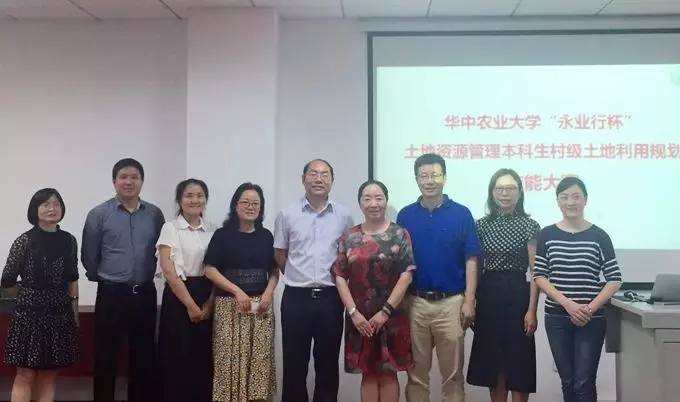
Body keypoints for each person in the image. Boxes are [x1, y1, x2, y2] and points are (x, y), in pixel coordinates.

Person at [396, 153, 481, 402]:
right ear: (416, 180)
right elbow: (399, 262)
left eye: (434, 175)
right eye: (423, 176)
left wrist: (469, 300)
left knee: (452, 376)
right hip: (416, 303)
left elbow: (471, 258)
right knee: (416, 375)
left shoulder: (462, 214)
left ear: (444, 177)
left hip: (451, 303)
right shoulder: (405, 215)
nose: (429, 181)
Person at [81, 158, 165, 402]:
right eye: (123, 177)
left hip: (145, 292)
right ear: (114, 181)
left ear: (142, 181)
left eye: (134, 177)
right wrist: (105, 277)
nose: (129, 182)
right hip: (111, 294)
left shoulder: (154, 214)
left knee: (143, 356)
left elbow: (160, 249)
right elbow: (89, 256)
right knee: (106, 356)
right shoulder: (99, 214)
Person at [533, 176, 622, 402]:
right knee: (568, 381)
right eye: (564, 197)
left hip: (591, 319)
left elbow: (614, 279)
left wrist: (589, 309)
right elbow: (540, 276)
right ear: (558, 201)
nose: (570, 202)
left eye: (576, 197)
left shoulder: (599, 236)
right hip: (557, 318)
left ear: (585, 199)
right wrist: (568, 304)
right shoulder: (547, 234)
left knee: (584, 382)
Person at [274, 159, 354, 402]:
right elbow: (280, 254)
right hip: (296, 298)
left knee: (328, 364)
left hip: (331, 299)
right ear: (303, 179)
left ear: (332, 181)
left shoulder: (343, 216)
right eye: (313, 174)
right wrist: (298, 275)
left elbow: (348, 255)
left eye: (325, 174)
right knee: (294, 364)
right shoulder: (287, 214)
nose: (319, 179)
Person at [332, 180, 415, 402]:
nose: (373, 203)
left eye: (378, 198)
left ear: (386, 201)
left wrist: (385, 312)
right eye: (367, 198)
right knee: (367, 373)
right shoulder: (349, 237)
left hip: (392, 315)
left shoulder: (399, 234)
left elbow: (407, 274)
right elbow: (339, 276)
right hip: (360, 318)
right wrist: (353, 313)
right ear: (360, 203)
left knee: (389, 373)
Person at [466, 169, 540, 402]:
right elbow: (475, 265)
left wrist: (532, 310)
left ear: (519, 193)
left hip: (518, 294)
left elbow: (535, 272)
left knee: (519, 360)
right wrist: (471, 301)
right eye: (500, 189)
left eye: (510, 189)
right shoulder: (481, 225)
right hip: (488, 295)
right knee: (494, 361)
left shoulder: (529, 225)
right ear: (492, 193)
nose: (505, 193)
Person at [1, 188, 79, 402]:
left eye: (56, 204)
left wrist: (74, 312)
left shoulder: (69, 240)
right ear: (35, 210)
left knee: (49, 375)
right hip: (28, 315)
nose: (52, 208)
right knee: (25, 374)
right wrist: (27, 295)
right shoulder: (24, 241)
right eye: (46, 204)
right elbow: (7, 279)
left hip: (59, 314)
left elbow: (72, 278)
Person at [204, 182, 278, 402]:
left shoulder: (266, 236)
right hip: (230, 308)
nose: (250, 206)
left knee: (258, 366)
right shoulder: (222, 235)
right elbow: (210, 270)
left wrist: (268, 293)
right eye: (245, 202)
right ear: (235, 205)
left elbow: (274, 271)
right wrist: (236, 291)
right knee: (228, 366)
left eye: (255, 203)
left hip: (261, 309)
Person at [156, 178, 217, 402]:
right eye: (189, 195)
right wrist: (191, 305)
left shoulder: (213, 229)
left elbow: (218, 268)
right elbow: (169, 270)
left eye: (200, 195)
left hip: (207, 292)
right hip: (178, 295)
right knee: (177, 357)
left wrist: (210, 302)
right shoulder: (170, 228)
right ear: (179, 200)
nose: (194, 200)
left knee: (203, 356)